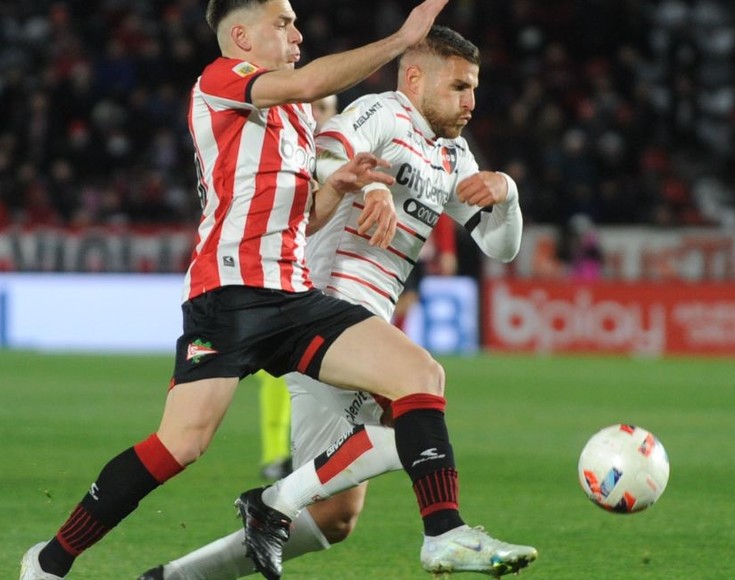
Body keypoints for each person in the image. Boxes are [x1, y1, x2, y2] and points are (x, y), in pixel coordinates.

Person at [18, 0, 460, 577]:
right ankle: (49, 561)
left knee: (417, 374)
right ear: (243, 37)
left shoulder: (295, 118)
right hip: (227, 295)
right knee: (181, 444)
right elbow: (309, 81)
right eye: (284, 23)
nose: (297, 33)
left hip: (294, 295)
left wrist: (338, 187)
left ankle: (443, 534)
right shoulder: (221, 79)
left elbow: (304, 221)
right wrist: (401, 40)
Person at [138, 25, 535, 580]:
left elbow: (500, 247)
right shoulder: (385, 113)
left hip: (365, 322)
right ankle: (442, 532)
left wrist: (507, 194)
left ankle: (177, 576)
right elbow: (327, 146)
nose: (471, 101)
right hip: (325, 308)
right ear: (415, 79)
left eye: (473, 89)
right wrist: (372, 186)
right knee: (420, 396)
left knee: (336, 516)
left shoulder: (452, 155)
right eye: (458, 87)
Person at [257, 94, 340, 482]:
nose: (316, 113)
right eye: (312, 105)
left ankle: (321, 455)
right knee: (277, 375)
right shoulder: (283, 152)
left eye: (324, 107)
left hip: (331, 286)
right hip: (282, 280)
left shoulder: (346, 160)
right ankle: (277, 455)